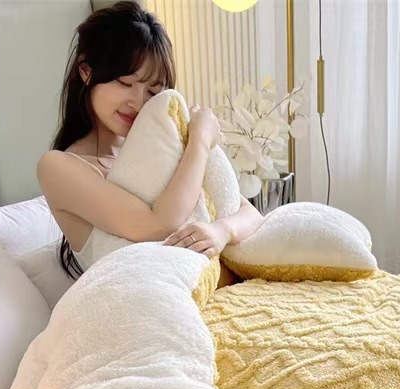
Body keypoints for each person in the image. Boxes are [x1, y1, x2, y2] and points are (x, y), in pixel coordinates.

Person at [37, 0, 262, 278]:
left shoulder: (159, 145)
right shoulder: (57, 168)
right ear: (87, 71)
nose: (138, 102)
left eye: (153, 91)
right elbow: (159, 225)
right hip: (142, 294)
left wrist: (221, 231)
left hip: (209, 282)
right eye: (125, 83)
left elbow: (250, 214)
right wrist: (200, 141)